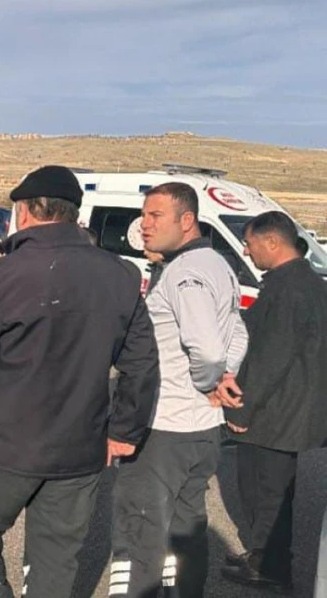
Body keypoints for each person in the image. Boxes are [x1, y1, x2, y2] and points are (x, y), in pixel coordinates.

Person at [0, 165, 160, 598]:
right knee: (57, 559)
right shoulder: (120, 275)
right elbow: (142, 364)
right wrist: (123, 432)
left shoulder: (5, 273)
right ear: (72, 213)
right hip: (79, 448)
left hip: (4, 443)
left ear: (25, 212)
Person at [110, 182, 248, 598]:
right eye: (143, 215)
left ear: (187, 220)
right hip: (202, 429)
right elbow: (237, 334)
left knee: (140, 531)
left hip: (167, 425)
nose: (144, 225)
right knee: (186, 528)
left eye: (155, 216)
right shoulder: (217, 265)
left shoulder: (185, 272)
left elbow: (206, 348)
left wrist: (210, 380)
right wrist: (226, 377)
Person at [221, 211, 327, 590]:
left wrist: (243, 408)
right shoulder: (305, 281)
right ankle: (265, 556)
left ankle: (272, 568)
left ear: (272, 241)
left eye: (249, 245)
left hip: (274, 415)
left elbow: (271, 358)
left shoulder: (287, 289)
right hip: (290, 411)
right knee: (273, 495)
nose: (247, 253)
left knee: (266, 497)